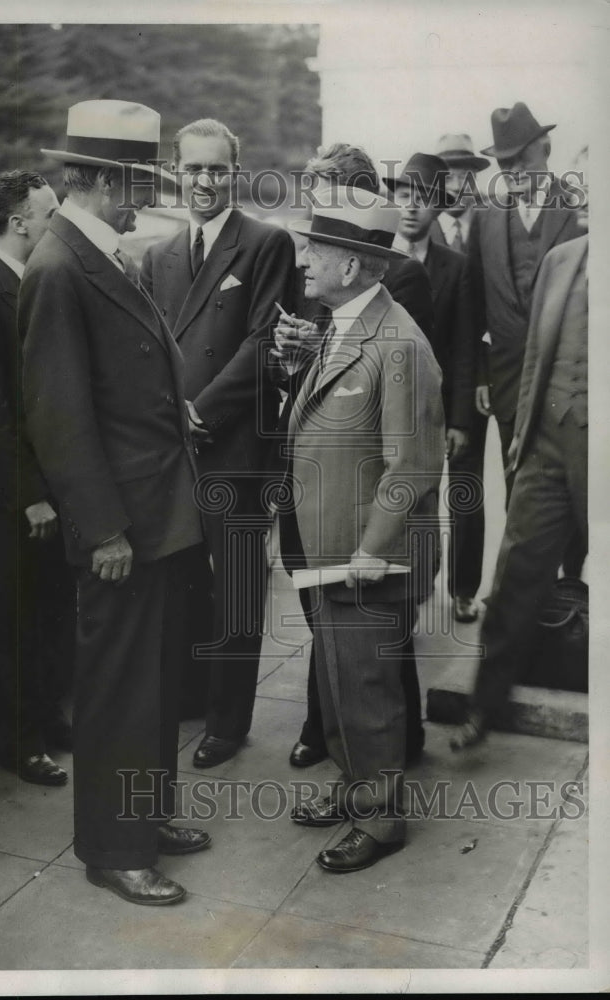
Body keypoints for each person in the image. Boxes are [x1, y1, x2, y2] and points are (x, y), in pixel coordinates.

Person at [20, 100, 209, 906]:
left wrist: (177, 408)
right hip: (121, 525)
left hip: (156, 511)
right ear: (95, 178)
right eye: (134, 180)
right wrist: (101, 528)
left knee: (155, 684)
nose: (143, 195)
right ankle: (112, 847)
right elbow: (58, 415)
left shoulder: (100, 251)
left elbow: (123, 375)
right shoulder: (60, 265)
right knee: (118, 691)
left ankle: (144, 812)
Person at [281, 196, 444, 871]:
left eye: (314, 249)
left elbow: (410, 465)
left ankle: (379, 822)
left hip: (365, 555)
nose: (302, 258)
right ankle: (353, 790)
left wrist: (371, 551)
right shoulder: (345, 324)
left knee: (368, 693)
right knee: (339, 682)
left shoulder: (398, 343)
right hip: (331, 553)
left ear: (351, 263)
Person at [141, 119, 297, 769]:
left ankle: (228, 722)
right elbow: (147, 347)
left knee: (234, 589)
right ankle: (188, 696)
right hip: (178, 449)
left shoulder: (266, 244)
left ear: (235, 173)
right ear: (176, 171)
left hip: (232, 447)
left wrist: (200, 411)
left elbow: (264, 343)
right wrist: (167, 413)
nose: (203, 181)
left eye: (216, 169)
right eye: (193, 169)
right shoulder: (158, 256)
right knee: (180, 584)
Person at [451, 222, 588, 749]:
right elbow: (536, 357)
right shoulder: (563, 258)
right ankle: (484, 706)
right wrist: (522, 436)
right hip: (547, 447)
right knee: (515, 575)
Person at [0, 170, 75, 786]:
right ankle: (19, 740)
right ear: (19, 223)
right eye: (49, 210)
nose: (56, 220)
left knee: (52, 611)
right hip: (17, 498)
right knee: (16, 620)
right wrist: (30, 495)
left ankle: (48, 717)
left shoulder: (31, 284)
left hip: (48, 486)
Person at [465, 102, 582, 499]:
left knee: (575, 497)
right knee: (519, 494)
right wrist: (482, 374)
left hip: (573, 387)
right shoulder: (484, 218)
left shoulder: (583, 210)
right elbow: (474, 305)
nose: (512, 172)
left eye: (520, 159)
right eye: (503, 163)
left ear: (544, 149)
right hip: (509, 380)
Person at [385, 153, 481, 624]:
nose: (410, 207)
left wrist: (460, 419)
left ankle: (440, 589)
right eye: (403, 195)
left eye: (421, 198)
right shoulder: (375, 256)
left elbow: (464, 347)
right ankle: (396, 589)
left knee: (438, 498)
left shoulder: (456, 267)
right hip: (379, 406)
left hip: (433, 409)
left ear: (437, 208)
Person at [429, 133, 489, 253]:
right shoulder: (420, 232)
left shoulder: (491, 229)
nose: (456, 187)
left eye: (464, 177)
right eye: (447, 178)